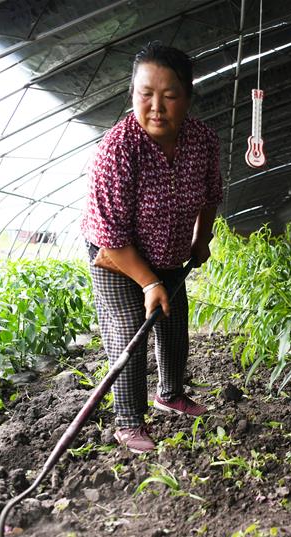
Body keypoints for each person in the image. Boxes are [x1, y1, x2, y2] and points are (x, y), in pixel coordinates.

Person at [80, 42, 222, 454]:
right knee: (129, 330)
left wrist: (201, 238)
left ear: (188, 98)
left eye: (170, 95)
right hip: (115, 255)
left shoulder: (202, 141)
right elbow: (110, 236)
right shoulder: (116, 150)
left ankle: (170, 394)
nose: (156, 107)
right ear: (132, 95)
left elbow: (211, 193)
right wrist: (147, 283)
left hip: (171, 249)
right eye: (145, 94)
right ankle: (128, 421)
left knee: (174, 322)